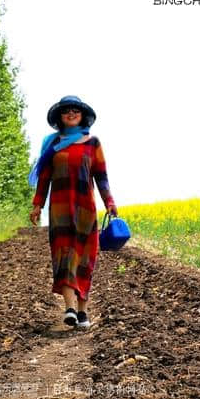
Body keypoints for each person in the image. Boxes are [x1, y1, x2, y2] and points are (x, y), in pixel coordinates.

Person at [29, 95, 117, 329]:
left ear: (82, 115)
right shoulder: (52, 146)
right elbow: (44, 178)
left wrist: (109, 202)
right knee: (63, 256)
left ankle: (82, 311)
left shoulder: (92, 143)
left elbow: (101, 177)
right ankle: (69, 308)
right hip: (59, 211)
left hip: (85, 210)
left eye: (74, 110)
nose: (70, 113)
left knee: (85, 259)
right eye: (65, 110)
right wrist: (37, 204)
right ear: (60, 117)